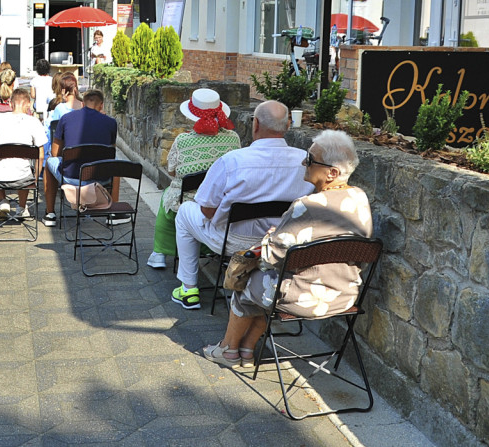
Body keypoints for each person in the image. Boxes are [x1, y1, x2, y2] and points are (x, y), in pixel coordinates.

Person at [202, 130, 372, 368]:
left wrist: (270, 236)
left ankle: (229, 350)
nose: (304, 162)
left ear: (332, 173)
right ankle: (247, 348)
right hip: (345, 295)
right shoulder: (359, 197)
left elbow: (272, 257)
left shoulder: (307, 206)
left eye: (311, 159)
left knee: (248, 280)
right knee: (265, 281)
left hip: (303, 297)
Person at [170, 100, 313, 310]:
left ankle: (189, 288)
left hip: (234, 241)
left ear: (255, 125)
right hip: (280, 241)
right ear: (288, 126)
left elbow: (207, 210)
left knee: (184, 211)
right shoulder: (305, 161)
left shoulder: (232, 161)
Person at [147, 88, 242, 270]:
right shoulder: (233, 138)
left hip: (190, 200)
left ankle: (159, 253)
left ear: (192, 115)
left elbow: (173, 171)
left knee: (168, 197)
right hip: (221, 202)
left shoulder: (182, 140)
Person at [42, 89, 117, 228]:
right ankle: (113, 213)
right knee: (115, 165)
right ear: (101, 105)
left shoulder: (66, 119)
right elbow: (111, 151)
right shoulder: (111, 123)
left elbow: (55, 152)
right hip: (101, 177)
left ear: (82, 104)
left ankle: (50, 213)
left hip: (71, 176)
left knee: (48, 163)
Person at [0, 87, 47, 219]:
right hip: (23, 178)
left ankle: (2, 201)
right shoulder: (34, 122)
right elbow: (41, 155)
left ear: (10, 104)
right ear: (28, 104)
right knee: (24, 165)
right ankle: (22, 207)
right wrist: (36, 177)